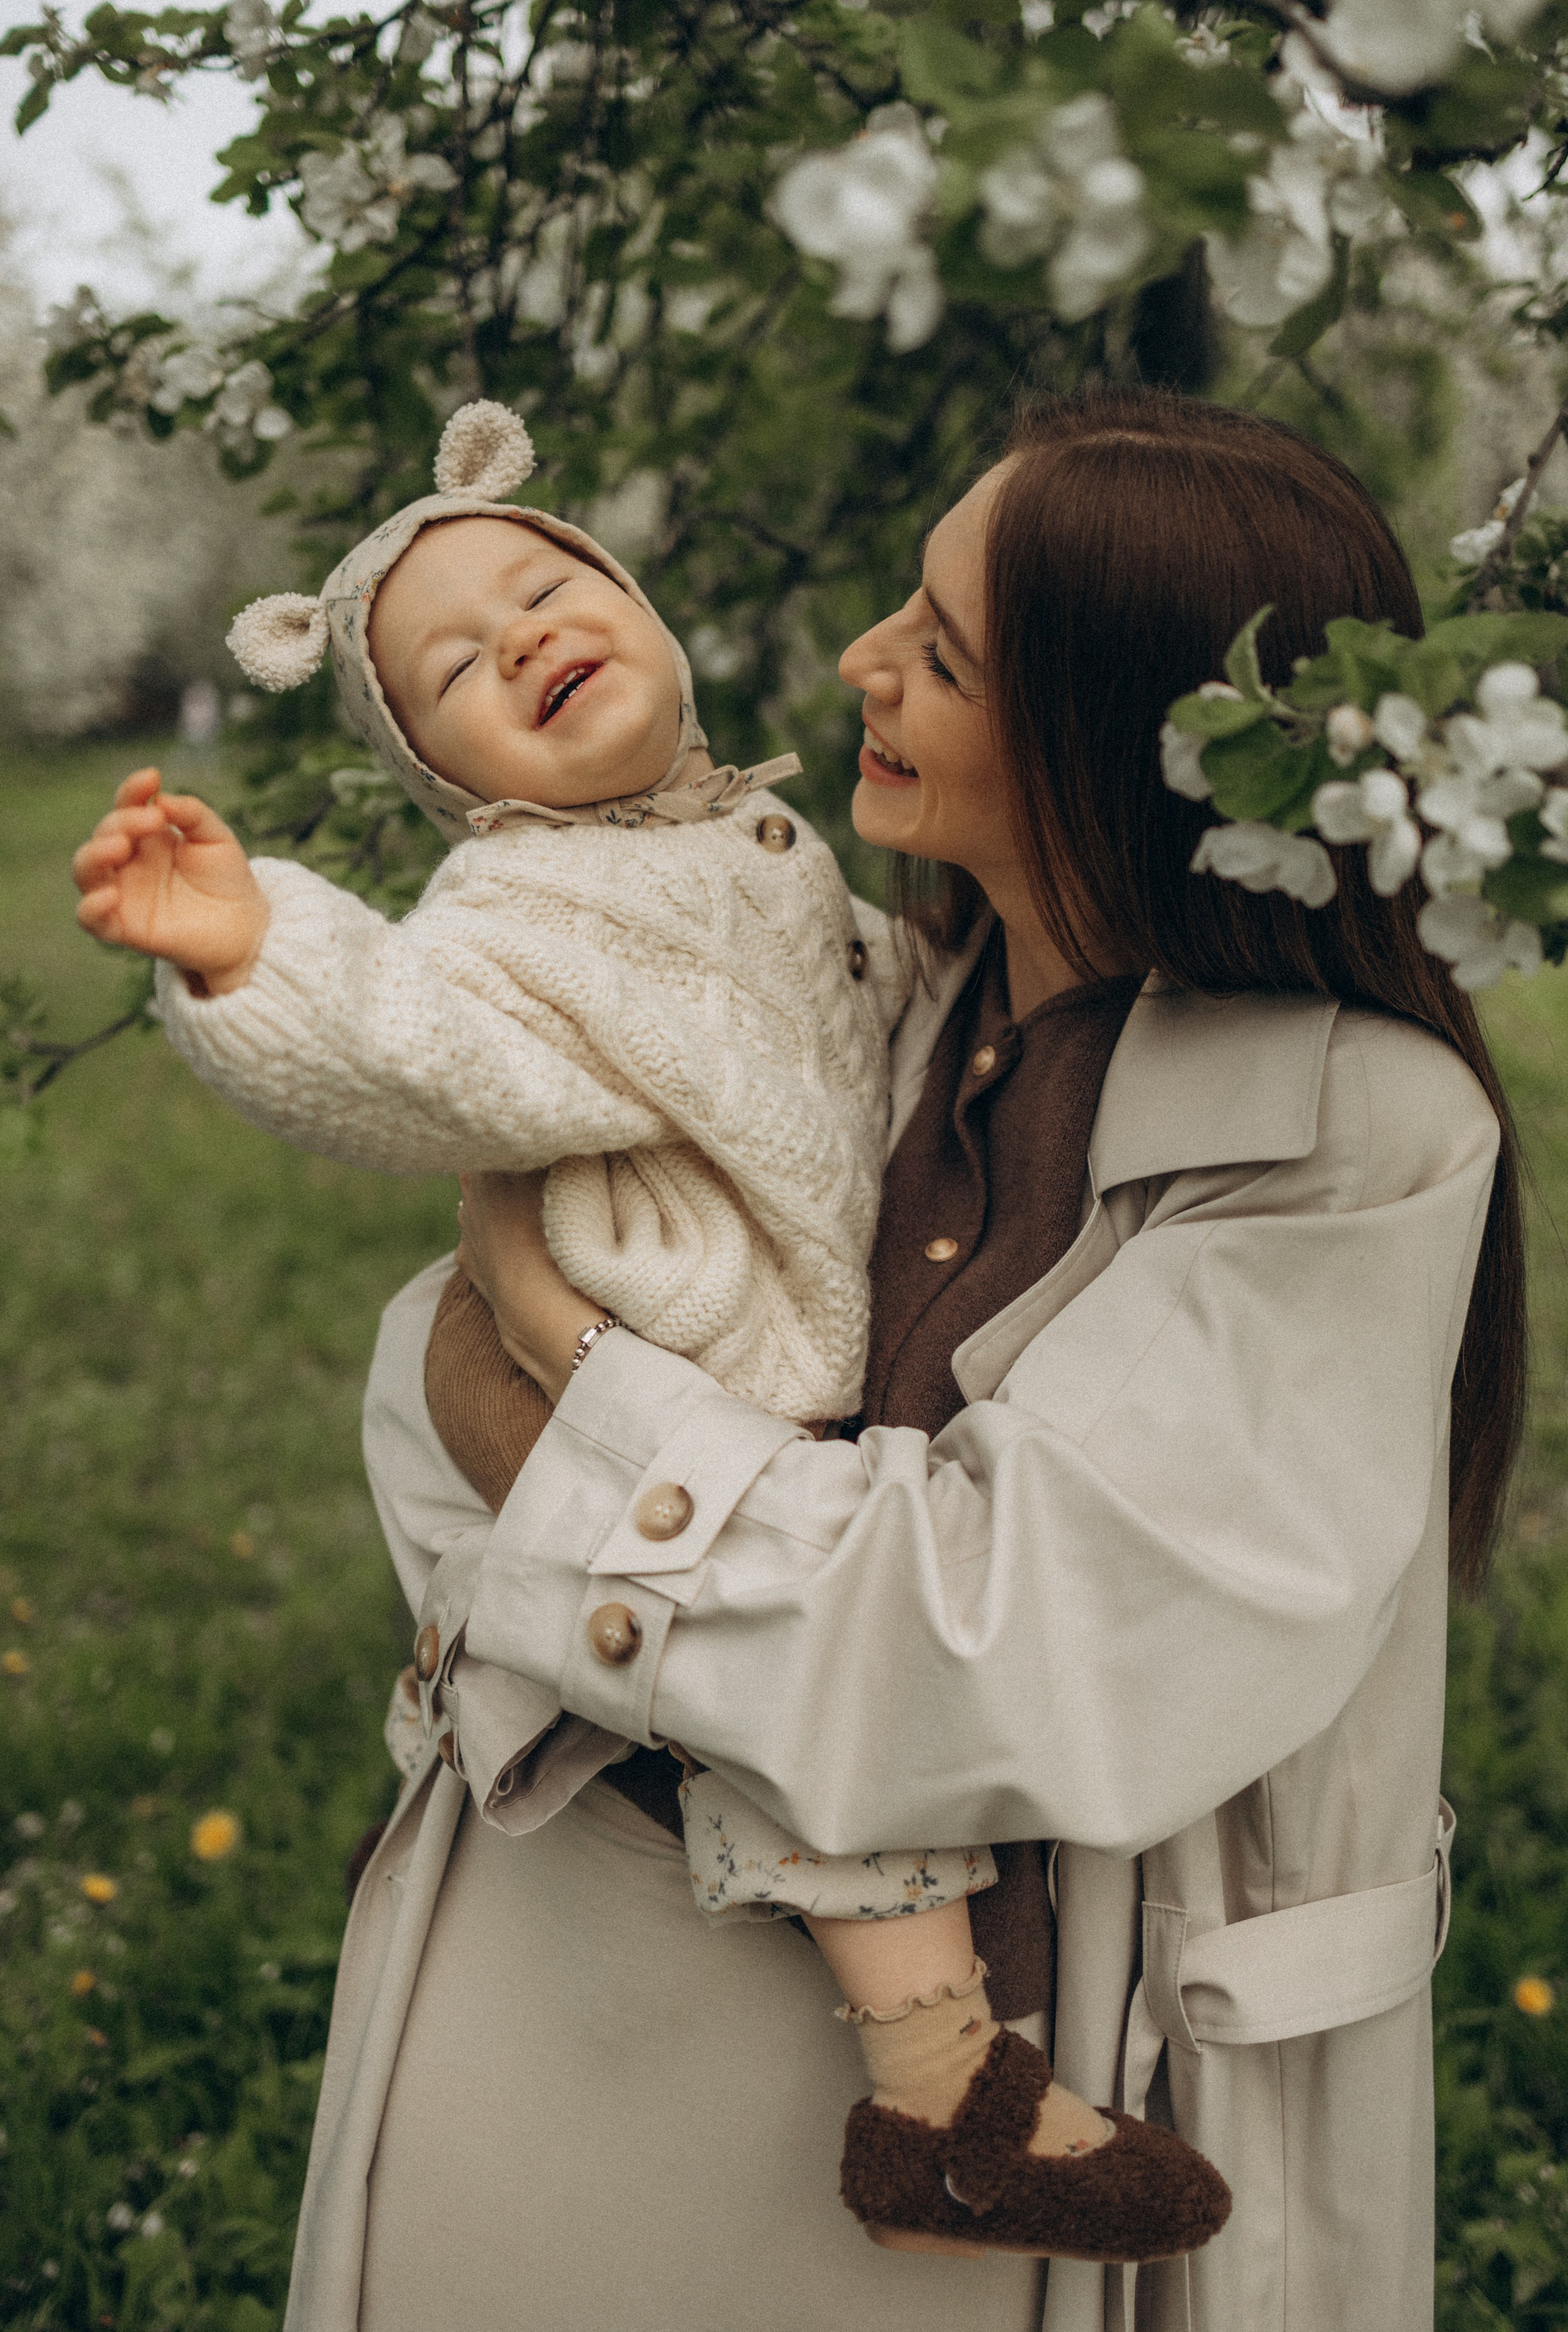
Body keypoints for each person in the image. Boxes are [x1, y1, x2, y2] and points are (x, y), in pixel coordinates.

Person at [70, 397, 1228, 2275]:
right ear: (457, 780)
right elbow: (407, 1041)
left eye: (541, 585)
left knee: (826, 1710)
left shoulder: (752, 840)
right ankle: (944, 2091)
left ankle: (948, 2088)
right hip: (689, 1354)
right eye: (453, 664)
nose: (517, 632)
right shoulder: (522, 907)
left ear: (643, 614)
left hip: (789, 1338)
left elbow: (877, 1011)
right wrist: (251, 951)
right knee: (818, 1753)